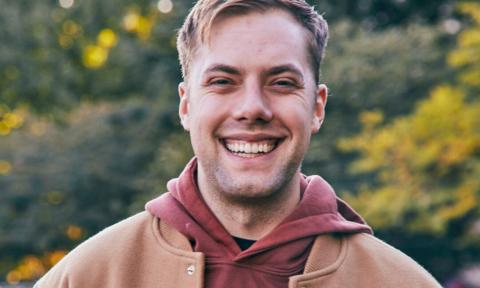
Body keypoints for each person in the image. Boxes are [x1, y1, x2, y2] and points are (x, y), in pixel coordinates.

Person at [35, 0, 442, 287]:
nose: (252, 108)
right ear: (186, 106)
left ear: (316, 108)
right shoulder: (88, 277)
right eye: (223, 82)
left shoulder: (401, 283)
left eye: (282, 83)